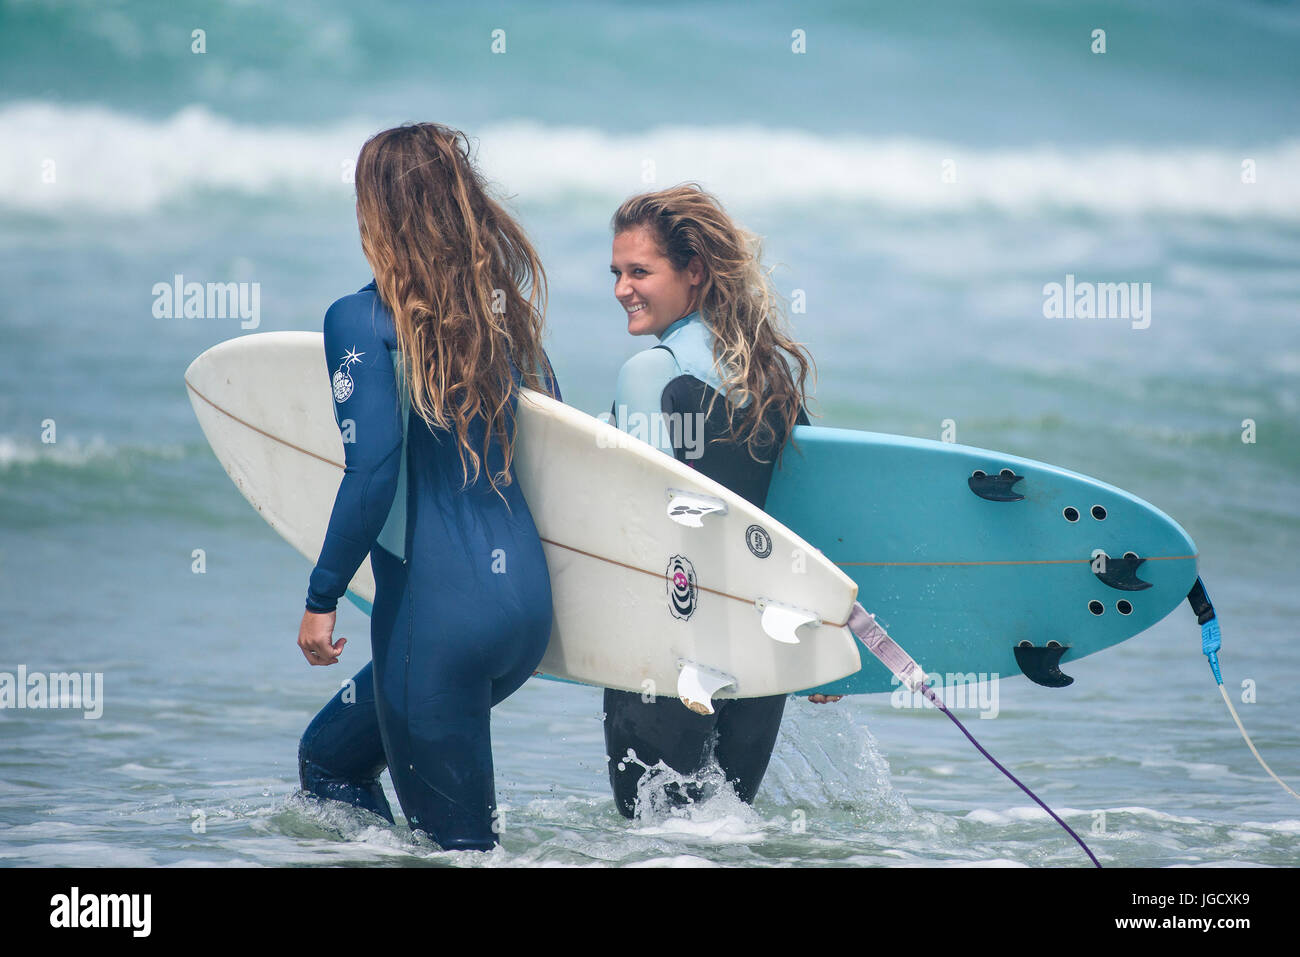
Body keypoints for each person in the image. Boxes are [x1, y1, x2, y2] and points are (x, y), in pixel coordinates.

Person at [294, 123, 561, 852]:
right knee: (330, 758)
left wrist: (322, 597)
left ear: (376, 210)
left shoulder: (359, 319)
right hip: (523, 616)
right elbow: (559, 441)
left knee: (459, 852)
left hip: (436, 624)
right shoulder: (504, 316)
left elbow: (373, 471)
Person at [602, 183, 838, 819]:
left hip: (669, 650)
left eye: (640, 272)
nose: (623, 288)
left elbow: (642, 525)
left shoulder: (650, 373)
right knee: (725, 838)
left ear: (695, 272)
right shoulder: (770, 376)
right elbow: (804, 514)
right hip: (762, 652)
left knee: (658, 844)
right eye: (618, 273)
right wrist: (824, 642)